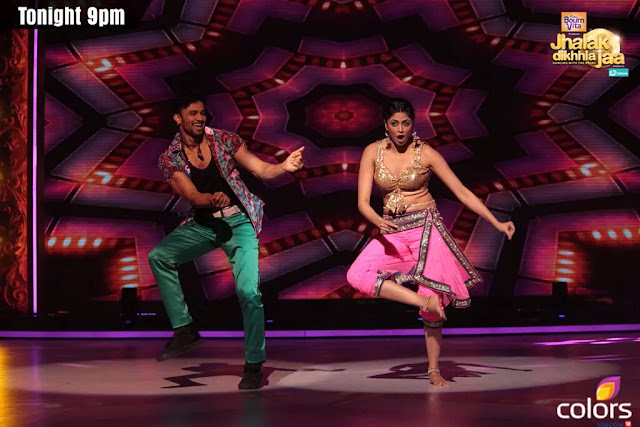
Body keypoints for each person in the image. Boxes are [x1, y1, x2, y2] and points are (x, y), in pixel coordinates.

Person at [346, 98, 515, 386]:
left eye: (406, 123)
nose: (401, 129)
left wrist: (496, 222)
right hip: (392, 230)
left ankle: (434, 370)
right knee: (357, 275)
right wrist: (377, 220)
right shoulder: (372, 152)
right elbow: (362, 202)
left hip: (426, 230)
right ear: (386, 125)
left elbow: (462, 191)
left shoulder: (426, 153)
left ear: (413, 124)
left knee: (433, 305)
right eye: (395, 123)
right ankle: (421, 300)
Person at [149, 96, 304, 390]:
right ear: (178, 119)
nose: (200, 118)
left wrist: (284, 166)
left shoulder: (224, 140)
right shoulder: (170, 158)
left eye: (202, 113)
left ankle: (254, 364)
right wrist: (210, 199)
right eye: (192, 113)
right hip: (204, 224)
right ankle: (184, 329)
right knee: (159, 255)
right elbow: (192, 196)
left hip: (238, 222)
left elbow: (261, 169)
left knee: (248, 292)